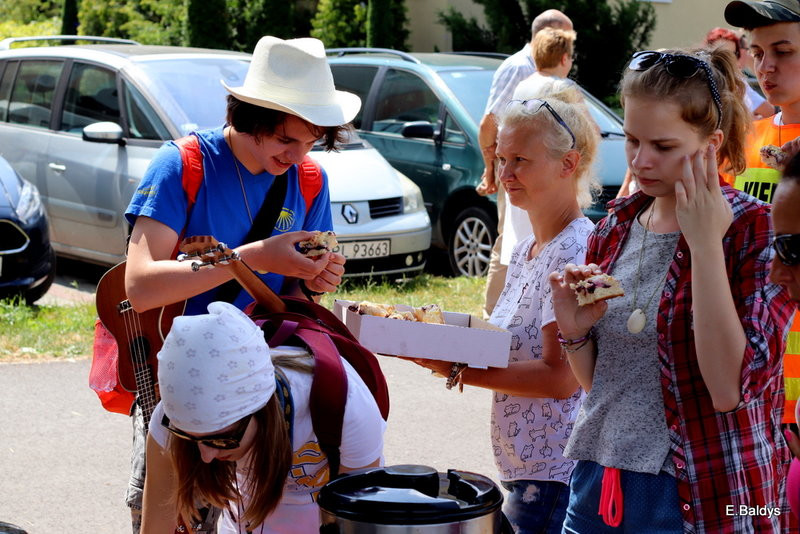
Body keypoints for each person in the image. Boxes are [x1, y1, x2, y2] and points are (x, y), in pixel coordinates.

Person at [548, 47, 794, 532]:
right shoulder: (616, 226)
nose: (641, 161)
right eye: (632, 140)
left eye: (662, 146)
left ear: (711, 144)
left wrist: (704, 245)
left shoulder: (754, 231)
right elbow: (608, 384)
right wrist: (575, 333)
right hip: (598, 483)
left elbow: (727, 390)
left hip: (708, 494)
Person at [122, 36, 359, 532]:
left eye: (312, 140)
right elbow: (139, 287)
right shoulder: (183, 166)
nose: (298, 155)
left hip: (257, 393)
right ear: (250, 117)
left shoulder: (310, 180)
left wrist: (316, 280)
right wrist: (248, 259)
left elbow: (292, 301)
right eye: (286, 140)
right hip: (182, 387)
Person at [409, 87, 599, 533]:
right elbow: (505, 345)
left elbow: (559, 379)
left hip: (556, 475)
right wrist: (431, 333)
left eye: (521, 160)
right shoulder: (529, 247)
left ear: (568, 164)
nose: (505, 173)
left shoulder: (575, 248)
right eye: (501, 158)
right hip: (529, 470)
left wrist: (455, 368)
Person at [141, 301, 385, 533]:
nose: (206, 456)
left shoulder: (347, 407)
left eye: (221, 439)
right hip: (248, 518)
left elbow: (358, 524)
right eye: (191, 438)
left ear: (262, 409)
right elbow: (156, 526)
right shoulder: (175, 416)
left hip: (324, 520)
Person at [725, 0, 800, 449]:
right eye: (757, 53)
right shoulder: (745, 141)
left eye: (783, 51)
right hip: (758, 380)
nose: (766, 66)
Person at [477, 9, 574, 319]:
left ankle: (509, 315)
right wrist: (491, 168)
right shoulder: (522, 69)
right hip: (527, 172)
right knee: (514, 243)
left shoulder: (532, 77)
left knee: (519, 242)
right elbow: (490, 122)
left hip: (528, 169)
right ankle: (497, 315)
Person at [500, 29, 578, 266]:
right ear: (564, 58)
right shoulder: (563, 87)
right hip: (546, 185)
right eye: (571, 57)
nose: (504, 174)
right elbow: (585, 134)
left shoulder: (523, 85)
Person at [705, 26, 775, 118]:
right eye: (721, 54)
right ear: (707, 54)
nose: (727, 60)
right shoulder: (700, 81)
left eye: (733, 54)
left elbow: (769, 111)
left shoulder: (737, 81)